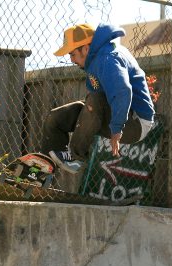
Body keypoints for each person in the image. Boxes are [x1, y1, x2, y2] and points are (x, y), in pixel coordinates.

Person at [41, 23, 155, 174]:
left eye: (73, 54)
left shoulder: (108, 58)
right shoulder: (97, 58)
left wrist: (117, 129)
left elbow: (122, 91)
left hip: (136, 122)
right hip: (117, 111)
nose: (72, 60)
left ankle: (75, 158)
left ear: (86, 48)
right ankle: (46, 164)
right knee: (56, 117)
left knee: (94, 101)